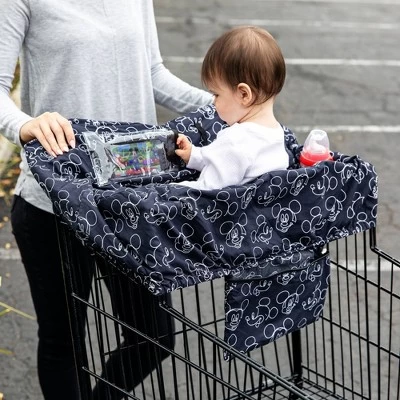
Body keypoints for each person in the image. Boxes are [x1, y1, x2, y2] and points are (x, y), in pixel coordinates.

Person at [0, 1, 212, 399]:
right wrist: (26, 125)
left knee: (154, 334)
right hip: (55, 204)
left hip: (130, 203)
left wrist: (229, 109)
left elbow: (152, 72)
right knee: (65, 344)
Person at [175, 26, 289, 190]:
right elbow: (223, 163)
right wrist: (193, 155)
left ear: (244, 94)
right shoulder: (275, 133)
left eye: (216, 94)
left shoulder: (236, 141)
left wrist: (170, 188)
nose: (213, 102)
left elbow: (208, 190)